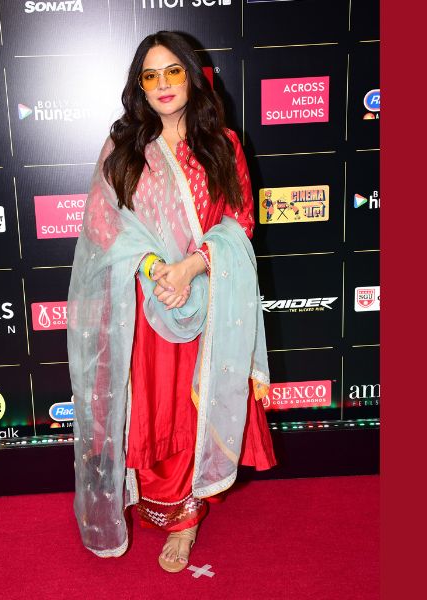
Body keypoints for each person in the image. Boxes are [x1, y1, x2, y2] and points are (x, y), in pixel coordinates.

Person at [67, 30, 276, 573]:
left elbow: (239, 221)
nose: (162, 84)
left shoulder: (222, 144)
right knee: (155, 413)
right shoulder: (124, 148)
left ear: (191, 76)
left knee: (194, 409)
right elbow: (102, 225)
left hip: (209, 300)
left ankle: (184, 522)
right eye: (150, 75)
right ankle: (159, 502)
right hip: (147, 305)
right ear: (139, 86)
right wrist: (156, 268)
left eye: (173, 71)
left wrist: (191, 266)